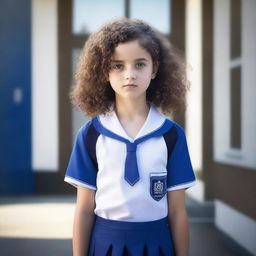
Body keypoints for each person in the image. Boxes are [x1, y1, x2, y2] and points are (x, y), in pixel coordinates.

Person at [64, 17, 196, 256]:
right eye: (118, 65)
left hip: (157, 244)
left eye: (140, 64)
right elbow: (84, 209)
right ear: (104, 71)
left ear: (154, 69)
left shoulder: (172, 136)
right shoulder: (91, 135)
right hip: (105, 244)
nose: (129, 74)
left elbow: (177, 211)